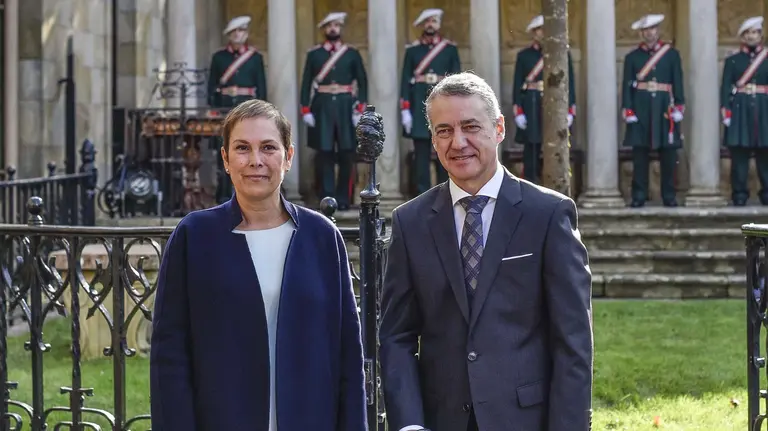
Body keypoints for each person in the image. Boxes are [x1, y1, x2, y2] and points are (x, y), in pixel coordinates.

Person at [379, 72, 593, 431]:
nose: (458, 142)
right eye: (444, 130)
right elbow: (397, 336)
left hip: (526, 419)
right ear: (432, 140)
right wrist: (410, 424)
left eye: (470, 127)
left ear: (499, 129)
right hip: (440, 419)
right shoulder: (410, 222)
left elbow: (573, 341)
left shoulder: (547, 214)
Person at [150, 99, 367, 431]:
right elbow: (170, 357)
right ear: (225, 158)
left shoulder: (322, 237)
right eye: (242, 148)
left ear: (288, 157)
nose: (255, 161)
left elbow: (348, 356)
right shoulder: (194, 236)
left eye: (268, 148)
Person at [300, 12, 368, 210]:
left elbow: (362, 82)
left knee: (347, 153)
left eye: (336, 25)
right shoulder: (315, 54)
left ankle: (344, 198)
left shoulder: (351, 54)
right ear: (324, 29)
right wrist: (306, 109)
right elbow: (306, 83)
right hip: (322, 107)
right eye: (329, 26)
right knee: (325, 153)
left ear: (341, 28)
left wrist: (359, 108)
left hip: (347, 106)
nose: (333, 29)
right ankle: (327, 198)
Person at [621, 14, 685, 208]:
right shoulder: (632, 57)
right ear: (641, 33)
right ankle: (639, 195)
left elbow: (678, 82)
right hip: (641, 107)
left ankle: (669, 195)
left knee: (668, 154)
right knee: (640, 154)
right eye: (646, 30)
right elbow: (626, 86)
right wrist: (628, 110)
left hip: (665, 108)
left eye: (653, 29)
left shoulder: (671, 54)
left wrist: (680, 106)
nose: (649, 33)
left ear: (658, 31)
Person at [400, 8, 461, 196]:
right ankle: (422, 193)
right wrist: (405, 110)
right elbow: (405, 80)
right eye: (427, 22)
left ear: (439, 24)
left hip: (443, 103)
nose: (430, 25)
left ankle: (447, 192)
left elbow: (458, 79)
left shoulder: (449, 49)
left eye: (434, 21)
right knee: (421, 154)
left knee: (446, 148)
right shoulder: (413, 51)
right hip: (419, 102)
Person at [208, 15, 268, 204]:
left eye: (241, 31)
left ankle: (249, 192)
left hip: (247, 108)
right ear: (229, 35)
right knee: (225, 152)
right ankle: (225, 194)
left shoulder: (255, 58)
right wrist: (213, 109)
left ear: (246, 33)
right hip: (225, 108)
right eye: (234, 32)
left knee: (248, 149)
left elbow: (261, 86)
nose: (238, 35)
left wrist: (261, 113)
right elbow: (211, 86)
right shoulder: (219, 57)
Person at [512, 15, 576, 185]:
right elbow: (517, 85)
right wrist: (518, 110)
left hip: (555, 104)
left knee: (556, 146)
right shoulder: (524, 56)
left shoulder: (562, 54)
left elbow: (570, 84)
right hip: (531, 104)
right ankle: (530, 187)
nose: (543, 32)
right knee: (531, 149)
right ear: (534, 33)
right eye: (540, 29)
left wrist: (570, 110)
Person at [721, 16, 768, 206]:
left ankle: (766, 193)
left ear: (761, 35)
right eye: (748, 33)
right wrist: (726, 111)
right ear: (742, 36)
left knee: (765, 154)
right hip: (740, 110)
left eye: (755, 32)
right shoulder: (733, 61)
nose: (751, 36)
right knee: (739, 155)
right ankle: (739, 194)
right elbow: (725, 88)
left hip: (764, 109)